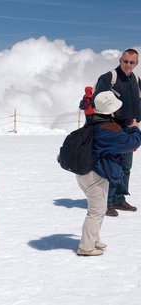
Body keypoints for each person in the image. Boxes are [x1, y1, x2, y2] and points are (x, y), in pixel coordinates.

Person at [75, 91, 141, 256]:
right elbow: (132, 142)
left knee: (100, 207)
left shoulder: (95, 121)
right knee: (96, 211)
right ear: (110, 111)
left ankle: (93, 238)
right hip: (94, 176)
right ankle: (86, 247)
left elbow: (115, 127)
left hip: (88, 172)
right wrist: (134, 129)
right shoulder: (107, 130)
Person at [94, 48, 141, 217]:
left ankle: (119, 199)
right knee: (111, 166)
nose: (128, 65)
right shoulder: (108, 78)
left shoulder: (136, 79)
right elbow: (98, 100)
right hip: (113, 129)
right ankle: (106, 202)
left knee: (125, 166)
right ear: (120, 60)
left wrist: (137, 121)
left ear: (136, 63)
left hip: (129, 128)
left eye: (132, 62)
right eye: (125, 61)